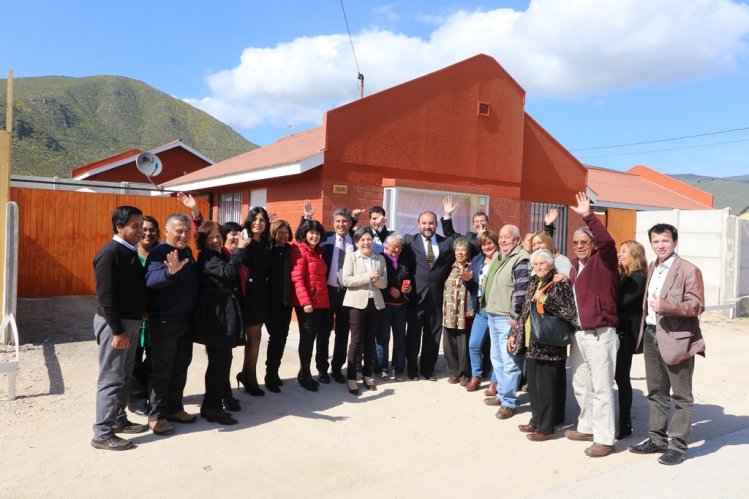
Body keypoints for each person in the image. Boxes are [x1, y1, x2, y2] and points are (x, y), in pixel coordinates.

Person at [629, 224, 705, 466]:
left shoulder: (689, 269)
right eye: (656, 241)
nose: (660, 245)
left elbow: (697, 305)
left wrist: (667, 306)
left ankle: (677, 446)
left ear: (675, 243)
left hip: (677, 339)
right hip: (652, 335)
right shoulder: (653, 267)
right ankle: (656, 438)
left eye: (665, 241)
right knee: (656, 392)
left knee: (681, 396)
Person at [564, 192, 620, 458]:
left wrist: (588, 215)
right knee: (581, 384)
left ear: (593, 244)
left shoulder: (605, 261)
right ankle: (587, 426)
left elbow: (608, 241)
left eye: (584, 241)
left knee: (601, 387)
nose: (579, 246)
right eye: (575, 242)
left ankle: (605, 438)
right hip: (580, 335)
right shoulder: (575, 266)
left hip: (601, 334)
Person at [91, 206, 149, 451]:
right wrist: (117, 330)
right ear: (119, 227)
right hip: (116, 324)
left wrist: (140, 312)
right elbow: (105, 297)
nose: (140, 231)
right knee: (112, 378)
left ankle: (118, 419)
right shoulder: (111, 253)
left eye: (141, 225)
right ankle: (102, 433)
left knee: (124, 376)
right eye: (134, 226)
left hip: (131, 322)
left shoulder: (129, 252)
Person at [508, 249, 576, 441]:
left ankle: (546, 428)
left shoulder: (558, 283)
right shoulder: (532, 282)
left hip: (549, 344)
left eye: (542, 264)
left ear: (551, 265)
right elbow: (524, 312)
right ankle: (536, 420)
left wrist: (545, 299)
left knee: (546, 388)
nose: (538, 267)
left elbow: (569, 312)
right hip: (532, 342)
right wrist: (515, 333)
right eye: (535, 264)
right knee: (535, 387)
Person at [145, 212, 200, 435]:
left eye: (187, 231)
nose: (184, 235)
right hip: (165, 322)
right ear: (166, 231)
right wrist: (169, 272)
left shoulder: (187, 251)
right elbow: (151, 280)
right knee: (162, 369)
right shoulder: (159, 253)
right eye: (179, 231)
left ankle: (175, 408)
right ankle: (156, 416)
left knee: (181, 365)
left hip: (185, 320)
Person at [193, 221, 249, 425]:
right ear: (203, 242)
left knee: (219, 363)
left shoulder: (217, 255)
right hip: (217, 317)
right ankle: (214, 408)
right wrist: (240, 250)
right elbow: (227, 273)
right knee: (219, 364)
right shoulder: (208, 257)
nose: (216, 240)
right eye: (210, 238)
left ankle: (209, 406)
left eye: (218, 236)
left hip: (222, 314)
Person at [297, 201, 356, 384]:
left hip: (348, 293)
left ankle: (337, 368)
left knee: (343, 332)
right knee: (324, 332)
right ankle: (322, 368)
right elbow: (302, 238)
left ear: (350, 223)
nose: (341, 224)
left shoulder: (355, 239)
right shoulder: (326, 238)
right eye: (338, 221)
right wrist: (307, 218)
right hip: (328, 293)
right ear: (334, 222)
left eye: (345, 221)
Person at [482, 225, 530, 419]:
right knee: (497, 359)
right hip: (493, 314)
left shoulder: (520, 259)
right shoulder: (498, 256)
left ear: (517, 240)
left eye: (507, 238)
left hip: (507, 318)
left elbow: (521, 291)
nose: (502, 241)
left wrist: (514, 315)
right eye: (500, 237)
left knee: (510, 361)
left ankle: (509, 402)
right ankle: (502, 394)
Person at [403, 210, 456, 380]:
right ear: (418, 225)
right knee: (413, 335)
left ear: (436, 225)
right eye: (424, 223)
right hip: (416, 297)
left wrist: (447, 217)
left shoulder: (446, 243)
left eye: (431, 223)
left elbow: (463, 241)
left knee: (433, 335)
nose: (427, 226)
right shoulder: (409, 241)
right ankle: (412, 370)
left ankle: (427, 370)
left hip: (436, 297)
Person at [341, 227, 388, 394]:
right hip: (356, 303)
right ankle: (352, 377)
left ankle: (367, 374)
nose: (366, 242)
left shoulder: (380, 259)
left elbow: (384, 284)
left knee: (370, 341)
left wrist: (377, 280)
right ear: (356, 242)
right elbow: (346, 280)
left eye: (369, 239)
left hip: (374, 303)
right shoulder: (351, 257)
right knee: (356, 340)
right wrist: (368, 277)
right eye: (362, 240)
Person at [290, 219, 331, 391]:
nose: (314, 236)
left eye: (317, 233)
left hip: (321, 303)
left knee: (317, 338)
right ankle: (305, 374)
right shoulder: (300, 250)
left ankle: (304, 372)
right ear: (305, 234)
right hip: (307, 305)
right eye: (311, 232)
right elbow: (297, 279)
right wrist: (305, 302)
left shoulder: (318, 253)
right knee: (307, 340)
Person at [236, 206, 272, 397]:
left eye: (262, 220)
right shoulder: (244, 241)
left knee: (256, 337)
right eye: (255, 219)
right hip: (247, 293)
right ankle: (250, 377)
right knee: (252, 337)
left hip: (261, 293)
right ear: (249, 221)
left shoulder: (267, 243)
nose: (258, 223)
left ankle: (247, 373)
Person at [615, 240, 647, 439]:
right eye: (619, 250)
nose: (620, 254)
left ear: (634, 255)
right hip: (620, 332)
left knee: (621, 378)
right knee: (619, 377)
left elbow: (621, 302)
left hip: (626, 334)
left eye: (624, 251)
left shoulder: (638, 277)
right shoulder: (625, 276)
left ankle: (625, 423)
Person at [127, 215, 160, 416]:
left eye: (153, 230)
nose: (148, 233)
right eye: (144, 229)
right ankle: (136, 400)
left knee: (155, 358)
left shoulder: (162, 254)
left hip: (157, 318)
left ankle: (150, 394)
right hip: (135, 318)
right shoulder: (129, 255)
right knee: (134, 359)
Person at [462, 230, 499, 392]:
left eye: (490, 243)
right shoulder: (477, 260)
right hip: (481, 309)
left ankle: (495, 381)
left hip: (499, 309)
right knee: (474, 344)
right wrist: (468, 281)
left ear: (496, 243)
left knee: (497, 348)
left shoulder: (502, 259)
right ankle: (476, 376)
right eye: (484, 244)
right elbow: (471, 287)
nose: (487, 246)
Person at [375, 232, 412, 381]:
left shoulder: (404, 259)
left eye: (400, 247)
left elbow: (408, 277)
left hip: (401, 306)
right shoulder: (380, 258)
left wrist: (408, 288)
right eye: (394, 247)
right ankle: (381, 368)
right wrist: (388, 288)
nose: (397, 250)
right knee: (382, 338)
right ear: (387, 245)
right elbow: (376, 279)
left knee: (400, 339)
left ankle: (398, 370)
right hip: (384, 305)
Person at [265, 219, 294, 393]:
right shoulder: (269, 249)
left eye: (286, 232)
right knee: (275, 337)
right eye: (279, 232)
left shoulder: (291, 250)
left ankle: (275, 372)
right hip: (270, 302)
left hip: (286, 301)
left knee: (282, 337)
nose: (283, 235)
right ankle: (270, 375)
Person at [442, 238, 474, 385]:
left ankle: (465, 374)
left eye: (463, 249)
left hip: (464, 312)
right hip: (448, 312)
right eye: (458, 250)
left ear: (468, 252)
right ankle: (453, 372)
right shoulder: (448, 267)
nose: (460, 252)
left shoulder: (472, 267)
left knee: (463, 344)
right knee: (449, 344)